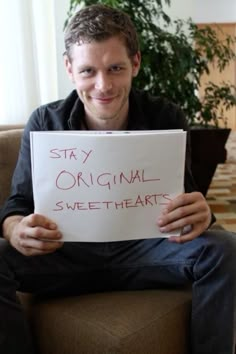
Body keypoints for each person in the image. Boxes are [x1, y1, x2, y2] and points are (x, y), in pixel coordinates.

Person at [0, 4, 235, 354]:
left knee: (225, 248)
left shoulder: (166, 116)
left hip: (146, 253)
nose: (103, 85)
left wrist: (200, 213)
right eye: (87, 70)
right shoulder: (44, 122)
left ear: (135, 63)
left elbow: (183, 199)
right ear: (69, 68)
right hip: (66, 256)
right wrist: (16, 229)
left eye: (115, 68)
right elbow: (16, 206)